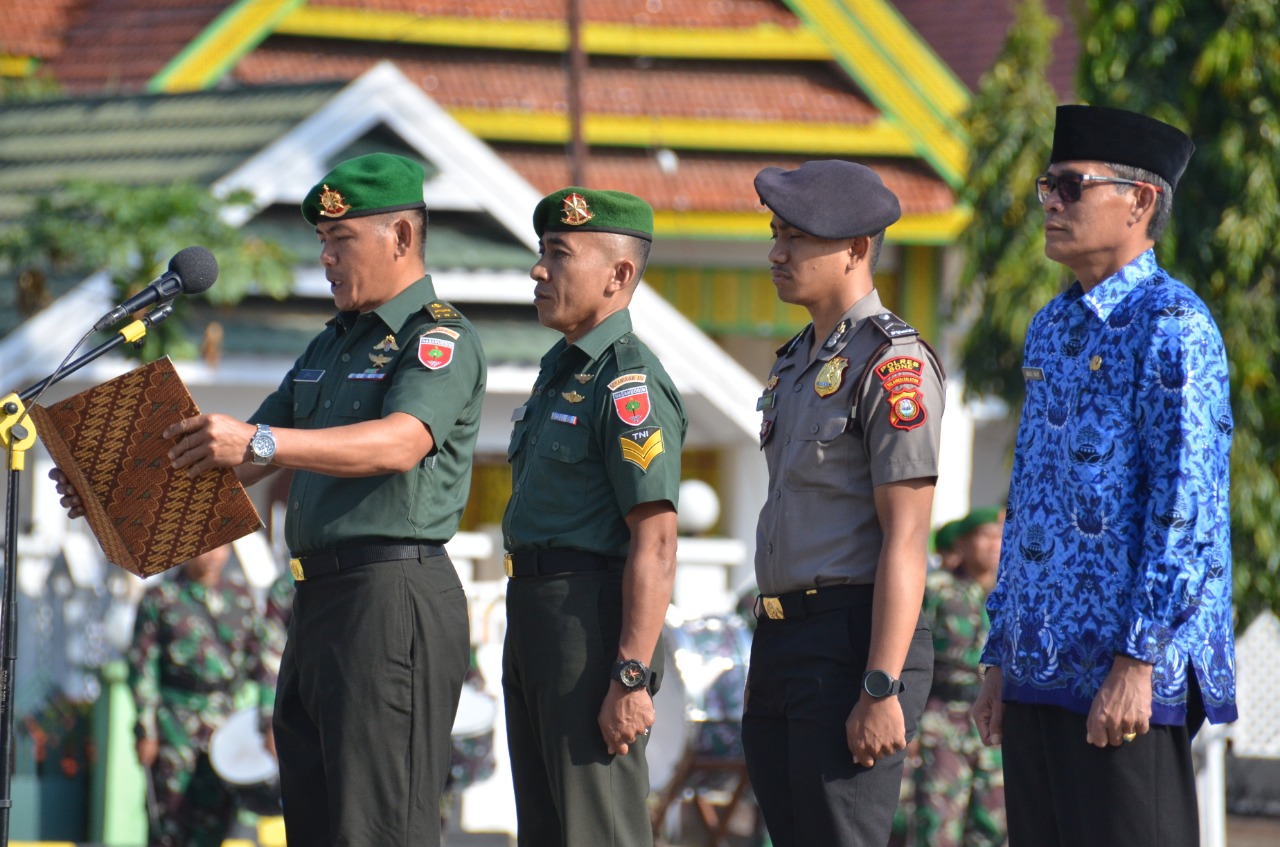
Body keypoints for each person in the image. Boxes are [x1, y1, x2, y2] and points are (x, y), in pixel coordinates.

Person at [54, 152, 486, 846]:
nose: (324, 259)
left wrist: (259, 443)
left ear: (401, 238)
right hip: (315, 603)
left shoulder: (437, 337)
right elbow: (226, 456)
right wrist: (109, 487)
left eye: (339, 240)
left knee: (376, 828)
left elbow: (400, 442)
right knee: (314, 822)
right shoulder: (329, 344)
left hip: (390, 597)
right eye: (320, 241)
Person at [972, 105, 1235, 847]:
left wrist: (1138, 659)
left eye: (1070, 186)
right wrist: (1001, 654)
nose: (1051, 203)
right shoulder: (1052, 326)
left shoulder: (1174, 325)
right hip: (1039, 667)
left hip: (1127, 676)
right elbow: (1030, 501)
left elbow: (1188, 509)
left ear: (1140, 200)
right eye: (1046, 188)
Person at [742, 159, 944, 847]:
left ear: (856, 249)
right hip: (781, 638)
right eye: (777, 232)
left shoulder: (893, 364)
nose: (777, 251)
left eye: (796, 236)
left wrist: (881, 684)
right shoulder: (796, 360)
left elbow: (907, 537)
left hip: (851, 640)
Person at [501, 187, 687, 847]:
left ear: (618, 275)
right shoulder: (559, 373)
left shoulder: (626, 381)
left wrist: (631, 675)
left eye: (559, 253)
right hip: (536, 613)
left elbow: (657, 539)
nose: (539, 269)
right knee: (548, 832)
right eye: (541, 252)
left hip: (590, 623)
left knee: (597, 831)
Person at [128, 544, 275, 847]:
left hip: (224, 728)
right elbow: (142, 670)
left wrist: (268, 721)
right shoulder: (162, 598)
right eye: (205, 550)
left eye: (221, 550)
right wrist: (147, 730)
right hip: (174, 725)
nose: (213, 557)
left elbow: (265, 663)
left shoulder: (241, 598)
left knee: (217, 819)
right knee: (168, 820)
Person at [912, 506, 1006, 847]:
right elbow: (909, 649)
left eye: (1000, 536)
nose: (995, 544)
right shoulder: (937, 588)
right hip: (943, 718)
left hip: (996, 723)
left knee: (994, 826)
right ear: (963, 544)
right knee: (937, 825)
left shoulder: (1013, 594)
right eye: (985, 536)